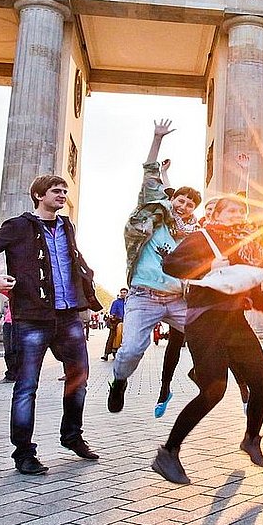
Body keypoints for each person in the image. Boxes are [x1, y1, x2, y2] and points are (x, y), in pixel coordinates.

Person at [0, 174, 102, 476]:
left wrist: (88, 301)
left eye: (65, 191)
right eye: (56, 191)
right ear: (39, 195)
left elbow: (76, 263)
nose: (63, 195)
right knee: (26, 387)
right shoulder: (18, 226)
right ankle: (24, 453)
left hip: (68, 317)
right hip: (31, 318)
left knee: (79, 379)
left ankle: (72, 436)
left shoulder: (67, 226)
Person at [153, 195, 263, 483]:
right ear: (217, 213)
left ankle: (252, 438)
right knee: (214, 390)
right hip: (205, 323)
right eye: (231, 209)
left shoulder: (242, 244)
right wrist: (208, 267)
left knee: (261, 383)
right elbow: (171, 265)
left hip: (235, 322)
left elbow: (245, 283)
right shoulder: (201, 237)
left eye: (241, 211)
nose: (237, 214)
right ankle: (168, 452)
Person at [107, 120, 202, 415]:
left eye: (189, 204)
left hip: (177, 299)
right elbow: (150, 174)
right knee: (132, 350)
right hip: (144, 296)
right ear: (171, 199)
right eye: (180, 200)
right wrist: (157, 138)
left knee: (210, 334)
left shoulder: (195, 233)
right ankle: (119, 381)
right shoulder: (154, 213)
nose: (183, 205)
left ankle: (201, 374)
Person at [103, 288, 127, 360]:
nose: (123, 294)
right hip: (118, 320)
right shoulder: (116, 302)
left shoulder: (129, 302)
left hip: (128, 321)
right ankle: (106, 354)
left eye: (124, 293)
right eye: (122, 292)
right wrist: (113, 315)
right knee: (112, 335)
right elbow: (112, 311)